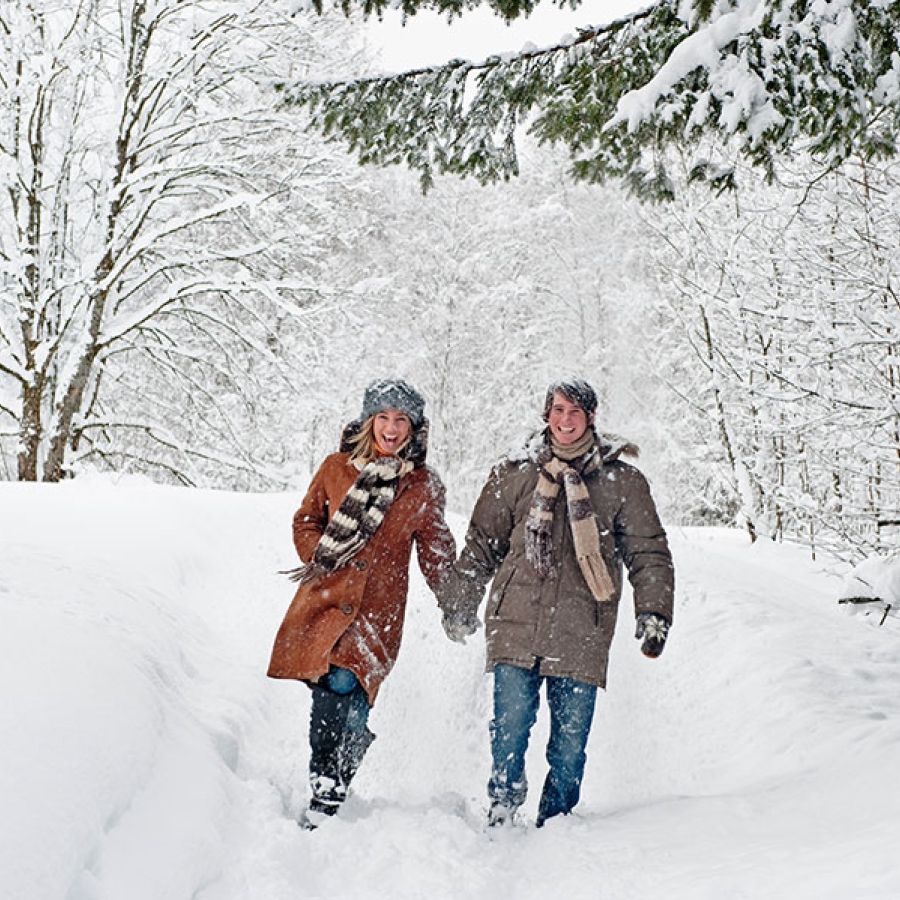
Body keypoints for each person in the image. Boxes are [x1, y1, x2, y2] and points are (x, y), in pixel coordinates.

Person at [439, 377, 674, 828]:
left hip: (582, 625)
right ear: (546, 414)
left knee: (569, 742)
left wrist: (654, 612)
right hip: (515, 618)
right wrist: (460, 601)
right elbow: (482, 544)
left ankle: (558, 818)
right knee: (509, 724)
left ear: (590, 418)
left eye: (576, 412)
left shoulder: (620, 481)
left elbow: (648, 552)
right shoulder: (513, 473)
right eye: (558, 410)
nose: (566, 420)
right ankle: (503, 803)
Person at [267, 378, 455, 829]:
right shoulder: (336, 468)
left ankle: (335, 779)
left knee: (352, 695)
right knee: (332, 687)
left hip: (378, 615)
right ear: (369, 420)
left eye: (401, 419)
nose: (391, 429)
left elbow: (436, 551)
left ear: (414, 428)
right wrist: (318, 553)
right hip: (327, 601)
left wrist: (456, 600)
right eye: (383, 417)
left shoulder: (422, 486)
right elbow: (306, 519)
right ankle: (325, 785)